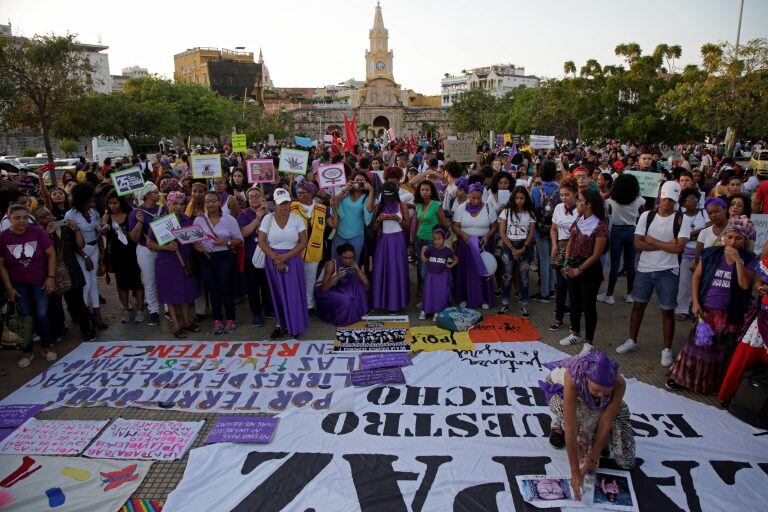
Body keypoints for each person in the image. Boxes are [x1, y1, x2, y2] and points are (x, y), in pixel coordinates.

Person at [667, 217, 756, 393]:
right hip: (706, 309)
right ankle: (682, 379)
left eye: (738, 238)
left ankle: (712, 385)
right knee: (697, 346)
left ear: (745, 240)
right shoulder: (711, 253)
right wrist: (695, 302)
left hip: (730, 313)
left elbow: (745, 284)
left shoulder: (750, 259)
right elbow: (697, 277)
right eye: (730, 237)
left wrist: (738, 261)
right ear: (724, 236)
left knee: (720, 351)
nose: (732, 241)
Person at [539, 351, 635, 501]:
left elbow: (606, 421)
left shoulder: (619, 383)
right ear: (587, 378)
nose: (602, 395)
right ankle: (558, 425)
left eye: (606, 391)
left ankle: (595, 438)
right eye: (596, 390)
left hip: (589, 401)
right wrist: (575, 472)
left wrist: (592, 460)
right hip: (559, 390)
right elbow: (571, 429)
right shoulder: (572, 376)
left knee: (626, 458)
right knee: (577, 414)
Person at [617, 181, 691, 367]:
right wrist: (666, 244)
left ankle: (666, 349)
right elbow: (637, 244)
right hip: (645, 269)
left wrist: (651, 240)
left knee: (667, 311)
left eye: (672, 201)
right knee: (638, 306)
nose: (668, 203)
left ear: (676, 201)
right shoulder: (646, 216)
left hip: (668, 271)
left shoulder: (682, 219)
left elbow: (679, 248)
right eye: (665, 199)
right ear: (660, 197)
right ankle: (632, 340)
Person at [0, 205, 57, 367]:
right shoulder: (3, 237)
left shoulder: (37, 232)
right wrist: (9, 287)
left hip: (40, 281)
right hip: (18, 284)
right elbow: (1, 264)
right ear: (9, 218)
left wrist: (50, 277)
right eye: (17, 218)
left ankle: (46, 347)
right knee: (25, 317)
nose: (22, 221)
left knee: (42, 313)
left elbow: (51, 253)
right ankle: (27, 352)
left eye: (25, 218)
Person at [559, 189, 609, 352]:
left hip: (589, 269)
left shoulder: (600, 225)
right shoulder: (579, 219)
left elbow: (596, 254)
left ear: (588, 204)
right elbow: (570, 242)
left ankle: (589, 341)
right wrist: (566, 262)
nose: (577, 203)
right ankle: (575, 332)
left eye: (580, 200)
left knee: (588, 305)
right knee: (574, 301)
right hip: (573, 265)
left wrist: (579, 269)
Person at [718, 248, 768, 402]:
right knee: (743, 358)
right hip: (763, 318)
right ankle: (732, 397)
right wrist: (761, 287)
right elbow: (759, 279)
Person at [148, 191, 200, 338]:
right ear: (167, 204)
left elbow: (192, 240)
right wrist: (166, 247)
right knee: (170, 294)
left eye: (181, 203)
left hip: (185, 262)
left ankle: (186, 322)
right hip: (167, 264)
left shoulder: (186, 220)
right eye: (174, 203)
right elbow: (150, 243)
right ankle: (176, 325)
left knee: (185, 292)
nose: (178, 206)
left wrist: (198, 245)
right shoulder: (159, 222)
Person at [258, 188, 309, 339]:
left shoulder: (297, 218)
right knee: (278, 294)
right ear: (274, 204)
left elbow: (303, 241)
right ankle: (280, 325)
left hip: (292, 260)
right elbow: (261, 241)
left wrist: (285, 257)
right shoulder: (267, 219)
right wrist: (276, 258)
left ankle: (295, 325)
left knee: (293, 294)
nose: (284, 206)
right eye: (281, 203)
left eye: (286, 203)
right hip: (273, 259)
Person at [193, 192, 244, 335]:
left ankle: (230, 319)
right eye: (208, 201)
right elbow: (194, 240)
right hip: (206, 257)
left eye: (213, 201)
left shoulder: (229, 220)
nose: (210, 204)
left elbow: (239, 240)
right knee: (212, 289)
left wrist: (226, 242)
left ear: (219, 202)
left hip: (224, 257)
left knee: (225, 287)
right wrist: (197, 246)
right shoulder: (198, 220)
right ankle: (216, 319)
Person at [65, 183, 107, 329]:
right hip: (81, 251)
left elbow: (97, 230)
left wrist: (103, 230)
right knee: (86, 284)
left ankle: (97, 313)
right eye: (89, 200)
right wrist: (84, 256)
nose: (92, 203)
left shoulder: (93, 212)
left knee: (94, 282)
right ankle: (85, 316)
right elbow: (70, 240)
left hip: (94, 248)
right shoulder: (70, 215)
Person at [599, 174, 645, 305]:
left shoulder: (611, 201)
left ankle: (609, 294)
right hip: (632, 231)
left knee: (614, 265)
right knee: (630, 264)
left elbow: (608, 214)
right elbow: (643, 213)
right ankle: (630, 293)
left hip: (616, 231)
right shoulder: (639, 199)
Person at [452, 182, 498, 309]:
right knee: (465, 272)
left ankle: (484, 298)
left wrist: (488, 235)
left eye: (479, 198)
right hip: (466, 245)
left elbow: (495, 226)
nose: (476, 200)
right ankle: (464, 298)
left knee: (483, 271)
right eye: (473, 197)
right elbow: (455, 225)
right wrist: (462, 233)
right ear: (468, 195)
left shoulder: (488, 207)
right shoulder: (461, 208)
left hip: (482, 245)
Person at [102, 191, 144, 323]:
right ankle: (125, 309)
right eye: (110, 203)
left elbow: (135, 234)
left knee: (137, 282)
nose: (113, 206)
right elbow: (102, 230)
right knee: (121, 283)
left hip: (132, 253)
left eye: (115, 202)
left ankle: (140, 310)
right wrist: (103, 227)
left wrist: (138, 222)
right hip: (116, 254)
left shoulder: (130, 214)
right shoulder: (107, 217)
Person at [371, 182, 410, 314]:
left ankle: (395, 304)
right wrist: (378, 220)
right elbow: (374, 228)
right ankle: (380, 302)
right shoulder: (379, 206)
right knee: (381, 271)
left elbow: (407, 226)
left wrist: (397, 219)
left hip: (397, 240)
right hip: (383, 240)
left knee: (395, 271)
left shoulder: (401, 205)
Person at [128, 183, 164, 326]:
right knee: (149, 281)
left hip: (162, 250)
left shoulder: (163, 208)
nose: (158, 194)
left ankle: (168, 308)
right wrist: (139, 222)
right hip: (145, 250)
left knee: (164, 279)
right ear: (147, 194)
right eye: (155, 192)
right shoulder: (136, 213)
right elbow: (134, 238)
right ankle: (154, 310)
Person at [498, 186, 536, 317]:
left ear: (526, 199)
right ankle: (505, 303)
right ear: (513, 198)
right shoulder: (506, 212)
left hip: (524, 247)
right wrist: (513, 249)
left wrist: (523, 248)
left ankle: (524, 305)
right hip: (508, 247)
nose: (519, 200)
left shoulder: (530, 213)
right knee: (507, 276)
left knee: (524, 277)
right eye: (517, 198)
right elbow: (502, 233)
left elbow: (531, 233)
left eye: (522, 198)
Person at [290, 181, 327, 315]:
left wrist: (335, 207)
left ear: (311, 194)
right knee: (296, 279)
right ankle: (296, 304)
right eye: (299, 192)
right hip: (295, 251)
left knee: (310, 279)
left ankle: (309, 305)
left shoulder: (322, 209)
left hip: (314, 250)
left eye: (303, 192)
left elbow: (333, 224)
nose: (299, 194)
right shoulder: (292, 207)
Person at [238, 186, 272, 326]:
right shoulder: (244, 214)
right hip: (250, 256)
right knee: (253, 287)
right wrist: (257, 218)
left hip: (268, 255)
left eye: (257, 195)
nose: (254, 198)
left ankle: (269, 309)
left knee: (267, 285)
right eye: (251, 196)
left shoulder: (270, 212)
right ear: (248, 199)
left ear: (262, 197)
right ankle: (257, 313)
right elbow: (244, 233)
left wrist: (268, 213)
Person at [315, 243, 369, 326]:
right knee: (346, 300)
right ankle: (344, 317)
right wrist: (336, 277)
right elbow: (323, 288)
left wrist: (357, 269)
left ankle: (361, 311)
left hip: (341, 288)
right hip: (326, 291)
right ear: (340, 256)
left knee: (358, 284)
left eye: (351, 258)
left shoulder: (352, 263)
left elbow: (366, 283)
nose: (348, 260)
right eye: (346, 258)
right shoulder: (331, 264)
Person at [550, 177, 579, 331]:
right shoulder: (558, 208)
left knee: (573, 286)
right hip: (560, 248)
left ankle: (575, 323)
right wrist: (554, 245)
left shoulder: (581, 209)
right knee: (560, 285)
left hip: (575, 249)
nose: (564, 198)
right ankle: (558, 318)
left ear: (575, 193)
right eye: (562, 195)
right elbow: (554, 228)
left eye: (567, 194)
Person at [674, 188, 708, 321]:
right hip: (685, 252)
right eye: (689, 199)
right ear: (683, 201)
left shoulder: (703, 213)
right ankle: (682, 308)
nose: (693, 202)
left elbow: (709, 227)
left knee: (701, 281)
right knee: (684, 281)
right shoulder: (680, 214)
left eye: (695, 199)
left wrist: (692, 234)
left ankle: (697, 307)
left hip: (702, 251)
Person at [530, 160, 560, 302]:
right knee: (552, 258)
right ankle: (552, 288)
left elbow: (533, 209)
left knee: (543, 260)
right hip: (555, 228)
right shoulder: (559, 189)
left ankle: (544, 293)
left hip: (539, 229)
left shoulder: (536, 189)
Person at [329, 172, 375, 262]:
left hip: (357, 234)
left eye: (362, 181)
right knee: (335, 261)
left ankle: (352, 276)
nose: (359, 182)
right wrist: (345, 189)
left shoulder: (366, 197)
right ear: (352, 181)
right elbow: (334, 202)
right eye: (357, 180)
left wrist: (371, 191)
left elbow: (369, 211)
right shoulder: (344, 191)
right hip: (340, 233)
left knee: (353, 261)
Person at [413, 180, 447, 287]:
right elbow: (418, 224)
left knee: (427, 272)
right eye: (422, 190)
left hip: (431, 242)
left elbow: (444, 225)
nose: (424, 192)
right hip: (419, 240)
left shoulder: (436, 205)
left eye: (427, 190)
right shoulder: (418, 206)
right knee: (422, 268)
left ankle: (434, 296)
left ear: (431, 192)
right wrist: (413, 240)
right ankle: (428, 297)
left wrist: (439, 241)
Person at [419, 228, 457, 321]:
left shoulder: (447, 251)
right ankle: (425, 310)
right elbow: (424, 260)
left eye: (439, 239)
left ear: (444, 239)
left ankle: (438, 311)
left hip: (442, 276)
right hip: (431, 275)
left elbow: (456, 259)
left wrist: (450, 265)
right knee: (428, 292)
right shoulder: (430, 248)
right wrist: (422, 252)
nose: (437, 241)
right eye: (435, 239)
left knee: (440, 294)